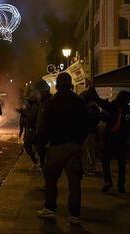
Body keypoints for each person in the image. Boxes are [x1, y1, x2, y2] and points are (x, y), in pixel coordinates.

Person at [37, 73, 89, 225]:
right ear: (71, 84)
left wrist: (43, 142)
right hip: (75, 146)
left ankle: (50, 209)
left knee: (51, 178)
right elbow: (87, 124)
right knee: (74, 182)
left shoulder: (52, 102)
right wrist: (80, 140)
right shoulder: (80, 102)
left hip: (57, 145)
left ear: (58, 85)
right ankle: (75, 215)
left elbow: (44, 126)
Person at [89, 88, 130, 193]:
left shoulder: (114, 107)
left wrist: (92, 91)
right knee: (121, 164)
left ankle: (108, 180)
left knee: (106, 161)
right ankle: (121, 185)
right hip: (122, 141)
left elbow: (100, 103)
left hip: (111, 140)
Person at [80, 91, 100, 175]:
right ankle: (91, 167)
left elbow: (85, 120)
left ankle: (86, 168)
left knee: (85, 150)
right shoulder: (95, 107)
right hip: (92, 131)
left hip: (87, 131)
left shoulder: (88, 107)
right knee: (91, 150)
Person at [36, 82, 52, 170]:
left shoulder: (46, 105)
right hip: (43, 132)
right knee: (42, 150)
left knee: (43, 150)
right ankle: (43, 164)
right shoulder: (42, 105)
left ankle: (44, 164)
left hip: (45, 132)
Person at [23, 96, 39, 169]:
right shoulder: (34, 106)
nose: (28, 102)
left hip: (32, 129)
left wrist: (25, 110)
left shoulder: (35, 107)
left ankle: (36, 161)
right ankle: (37, 162)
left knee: (26, 145)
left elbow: (31, 117)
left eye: (29, 100)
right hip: (33, 129)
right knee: (36, 145)